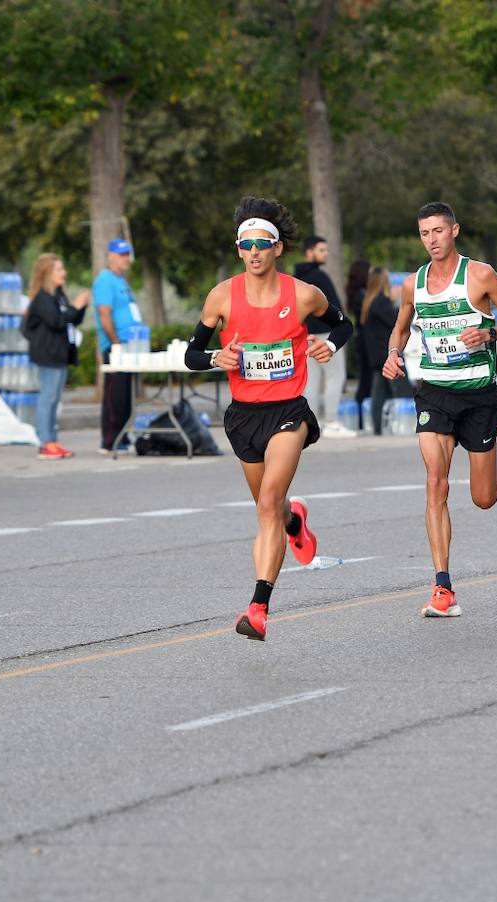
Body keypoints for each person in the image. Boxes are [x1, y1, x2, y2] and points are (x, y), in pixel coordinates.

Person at [184, 197, 353, 640]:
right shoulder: (221, 296)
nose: (254, 251)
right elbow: (191, 354)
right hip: (243, 416)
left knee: (264, 506)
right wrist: (215, 357)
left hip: (287, 412)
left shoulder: (303, 295)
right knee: (273, 509)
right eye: (246, 244)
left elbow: (343, 325)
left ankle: (258, 607)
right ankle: (295, 521)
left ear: (278, 248)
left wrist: (329, 346)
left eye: (263, 243)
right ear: (238, 249)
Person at [382, 201, 497, 619]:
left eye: (438, 231)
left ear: (454, 231)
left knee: (483, 499)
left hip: (479, 396)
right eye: (425, 233)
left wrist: (488, 332)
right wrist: (393, 353)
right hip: (434, 393)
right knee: (436, 482)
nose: (432, 240)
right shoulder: (413, 283)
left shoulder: (480, 275)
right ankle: (442, 586)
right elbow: (401, 326)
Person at [25, 253, 90, 459]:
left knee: (55, 400)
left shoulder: (58, 295)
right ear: (47, 273)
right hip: (47, 354)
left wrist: (81, 307)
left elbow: (71, 320)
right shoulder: (42, 298)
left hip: (60, 354)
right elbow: (56, 321)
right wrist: (75, 307)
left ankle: (53, 440)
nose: (64, 273)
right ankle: (45, 442)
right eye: (59, 269)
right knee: (48, 398)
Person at [294, 236, 354, 438]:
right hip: (326, 333)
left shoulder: (296, 277)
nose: (325, 253)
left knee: (311, 380)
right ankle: (331, 421)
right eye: (321, 250)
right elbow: (332, 307)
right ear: (309, 252)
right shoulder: (319, 277)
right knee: (335, 376)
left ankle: (311, 422)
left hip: (305, 334)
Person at [93, 238, 145, 453]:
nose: (126, 260)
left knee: (125, 395)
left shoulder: (121, 280)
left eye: (127, 255)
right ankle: (110, 440)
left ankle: (123, 436)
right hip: (116, 346)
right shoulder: (105, 280)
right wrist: (115, 342)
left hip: (130, 345)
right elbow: (104, 313)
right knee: (115, 395)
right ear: (111, 256)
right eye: (122, 255)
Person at [360, 266, 404, 435]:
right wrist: (396, 300)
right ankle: (397, 424)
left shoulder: (369, 301)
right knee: (399, 390)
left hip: (375, 354)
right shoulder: (382, 302)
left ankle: (378, 426)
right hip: (384, 353)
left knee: (379, 392)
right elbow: (397, 323)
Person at [346, 259, 372, 428]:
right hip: (365, 339)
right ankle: (361, 418)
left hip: (362, 338)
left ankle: (362, 417)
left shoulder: (356, 293)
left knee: (366, 378)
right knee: (366, 378)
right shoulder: (361, 295)